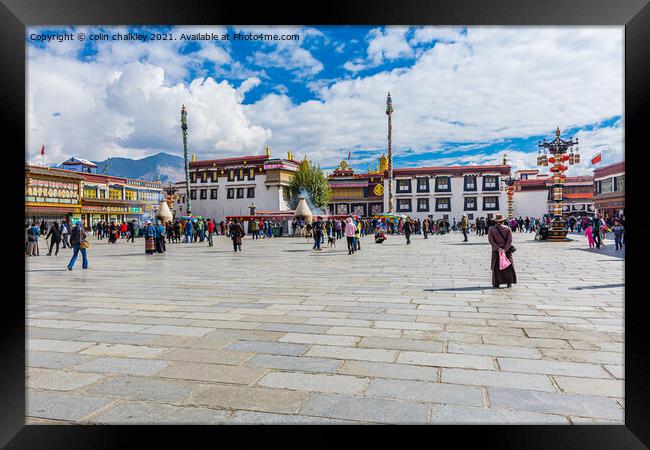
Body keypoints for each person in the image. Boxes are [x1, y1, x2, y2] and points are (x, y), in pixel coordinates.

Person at [487, 214, 517, 288]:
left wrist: (498, 248)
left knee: (496, 267)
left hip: (496, 251)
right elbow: (510, 240)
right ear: (503, 221)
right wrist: (505, 249)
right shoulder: (508, 228)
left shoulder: (491, 229)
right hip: (506, 251)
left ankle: (496, 283)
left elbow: (491, 240)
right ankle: (509, 282)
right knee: (508, 266)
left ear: (496, 221)